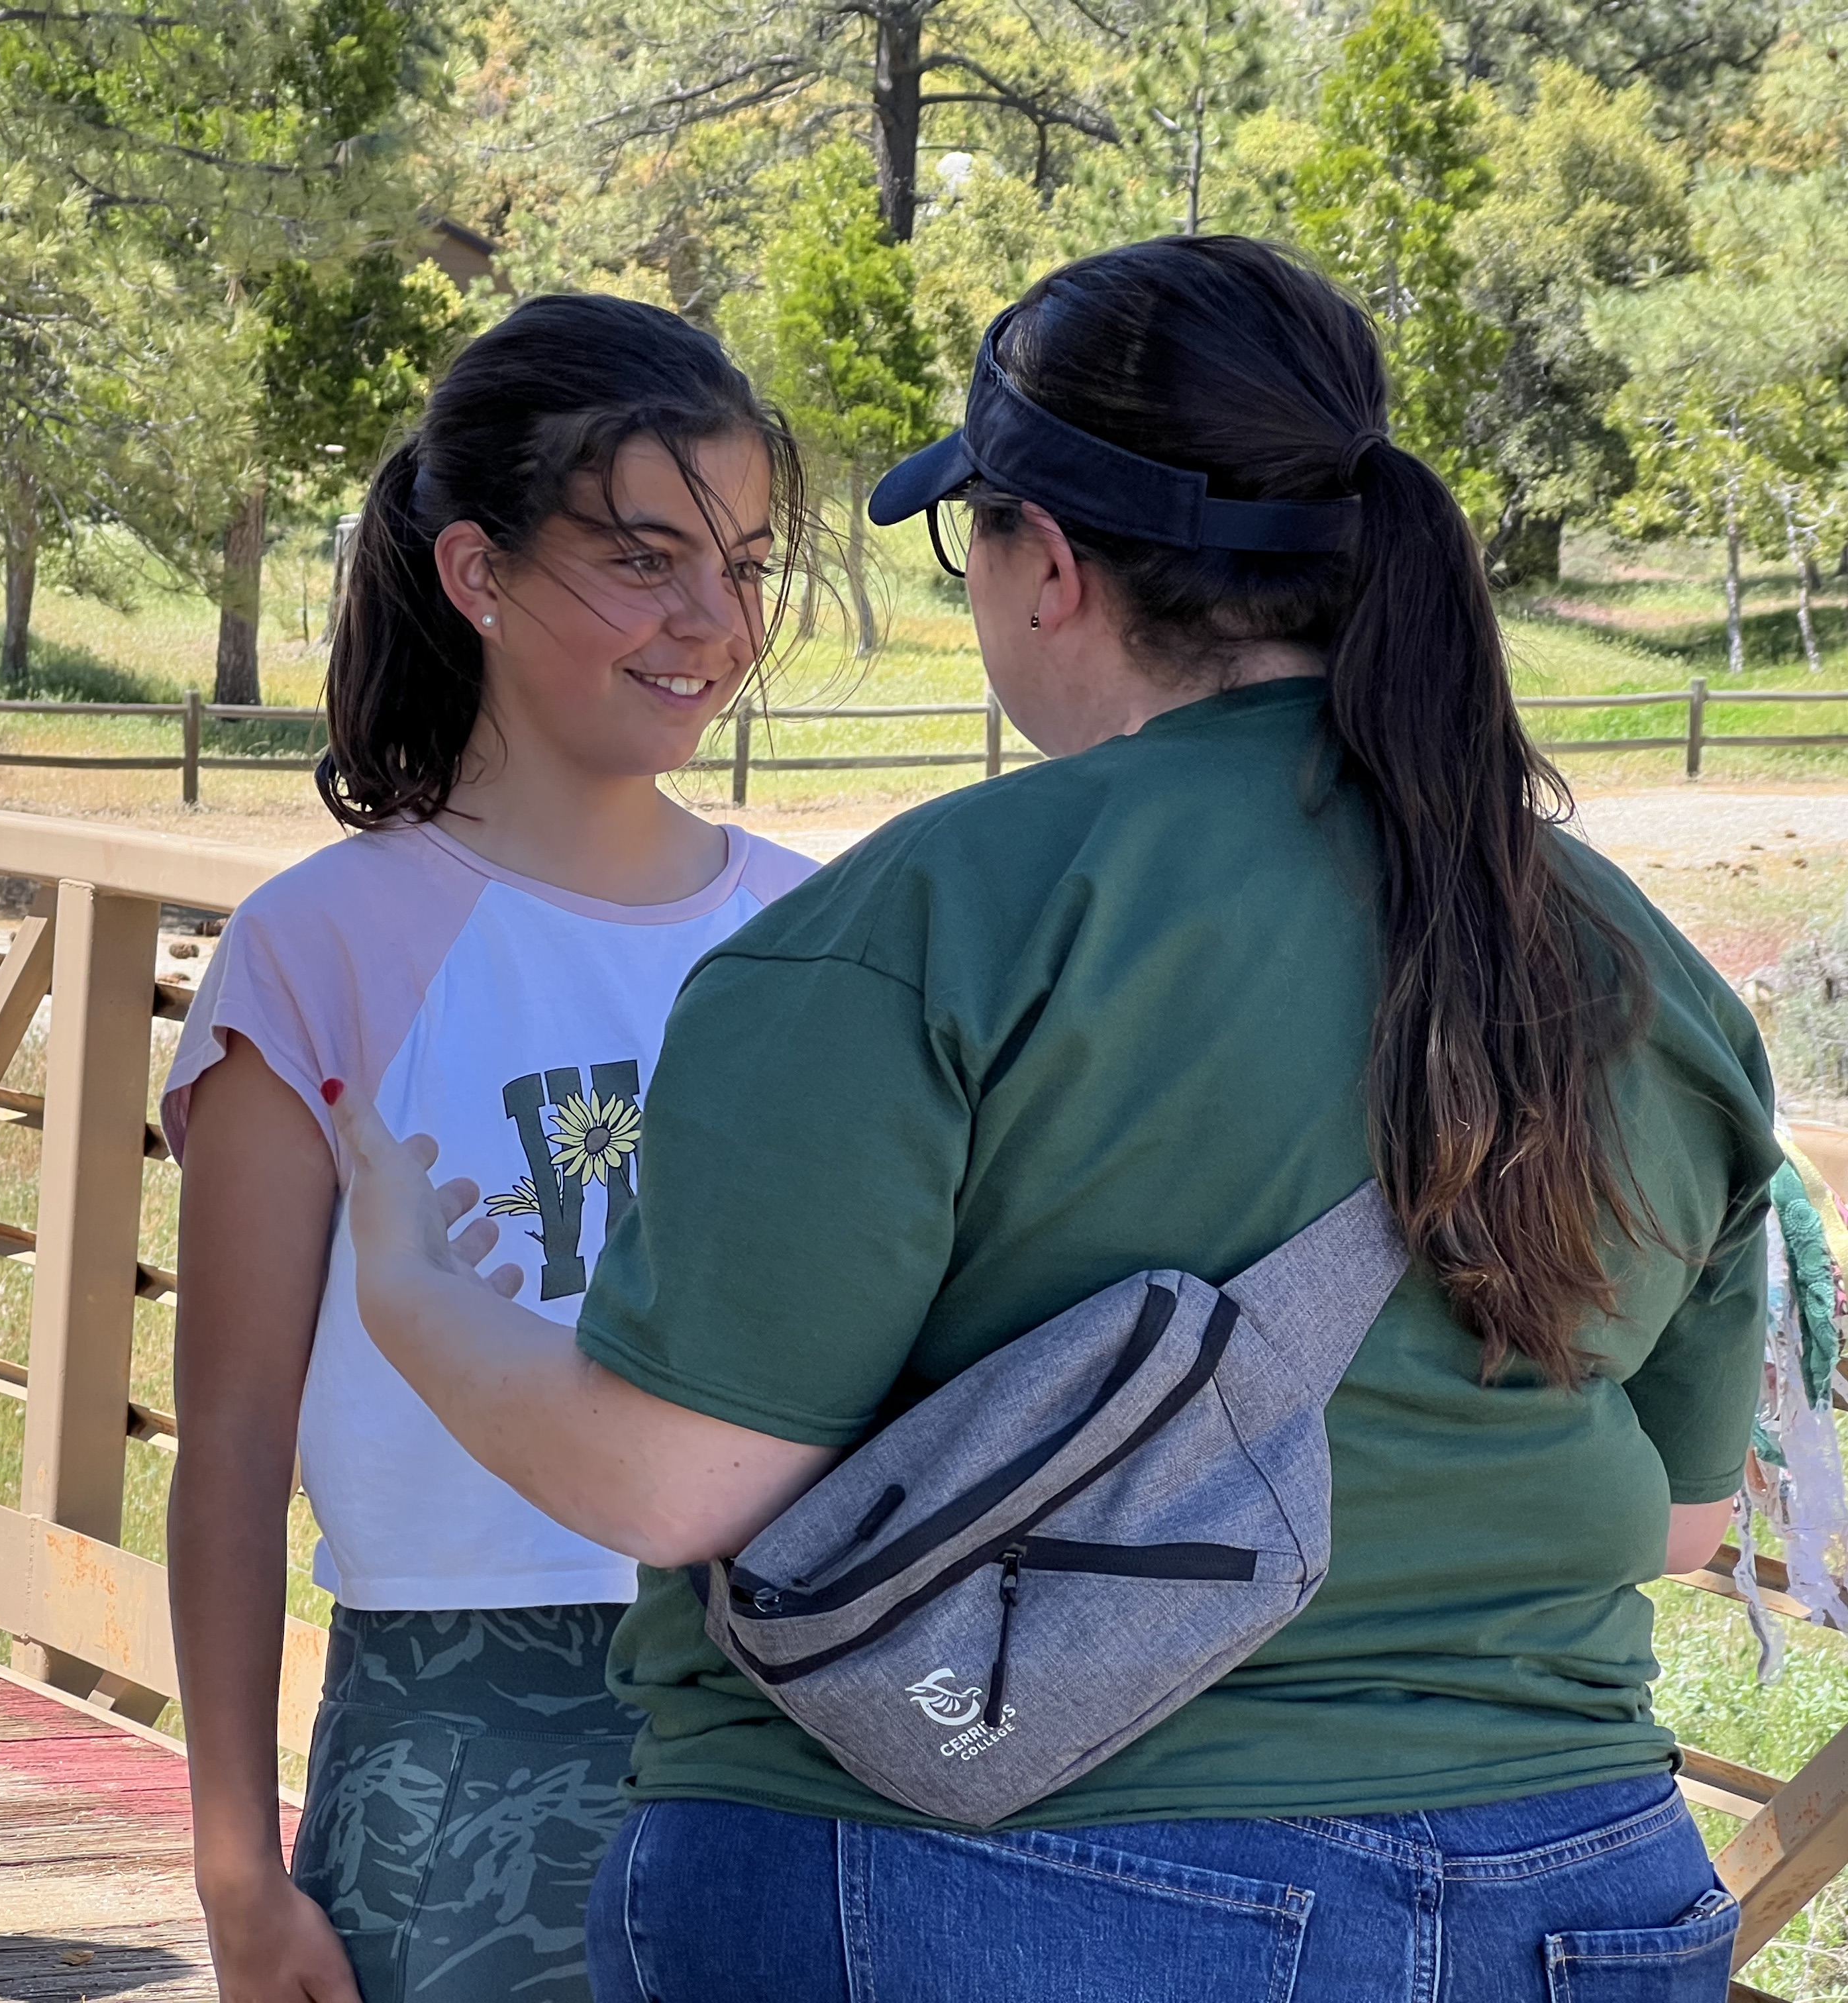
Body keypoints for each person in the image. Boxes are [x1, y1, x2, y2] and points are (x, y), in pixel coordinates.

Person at [331, 236, 1776, 2002]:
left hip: (981, 1882)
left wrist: (411, 1284)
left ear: (1054, 567)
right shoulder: (1636, 965)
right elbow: (1690, 1522)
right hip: (1576, 1887)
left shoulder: (924, 926)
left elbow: (670, 1475)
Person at [162, 293, 823, 2003]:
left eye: (743, 566)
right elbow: (228, 1439)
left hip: (798, 1737)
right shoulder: (318, 951)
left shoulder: (820, 934)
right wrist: (238, 1871)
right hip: (447, 1760)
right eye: (647, 560)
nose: (712, 621)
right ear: (477, 574)